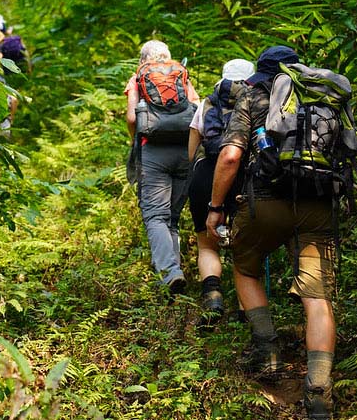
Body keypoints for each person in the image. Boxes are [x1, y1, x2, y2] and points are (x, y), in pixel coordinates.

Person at [205, 45, 337, 419]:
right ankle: (318, 392)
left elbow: (231, 155)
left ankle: (268, 353)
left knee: (245, 266)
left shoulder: (253, 94)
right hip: (317, 204)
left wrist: (216, 208)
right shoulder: (319, 93)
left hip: (264, 201)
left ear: (259, 72)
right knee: (318, 294)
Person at [124, 40, 201, 295]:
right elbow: (197, 107)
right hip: (184, 150)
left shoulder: (139, 78)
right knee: (172, 218)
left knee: (155, 216)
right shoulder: (181, 75)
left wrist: (135, 138)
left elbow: (132, 117)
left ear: (142, 59)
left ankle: (170, 272)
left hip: (154, 151)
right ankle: (172, 275)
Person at [187, 58, 254, 324]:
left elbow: (191, 152)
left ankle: (213, 295)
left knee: (207, 243)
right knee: (245, 244)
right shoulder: (257, 101)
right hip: (242, 176)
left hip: (206, 174)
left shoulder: (207, 103)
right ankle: (245, 308)